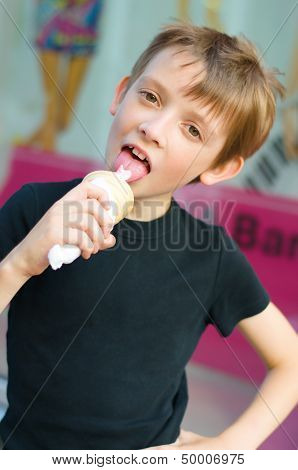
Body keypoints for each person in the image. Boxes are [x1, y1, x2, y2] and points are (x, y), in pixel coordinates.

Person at [1, 21, 298, 450]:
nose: (154, 128)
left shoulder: (210, 256)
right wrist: (21, 262)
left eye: (192, 130)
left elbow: (290, 361)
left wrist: (233, 445)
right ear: (120, 95)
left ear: (219, 168)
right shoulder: (35, 208)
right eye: (151, 97)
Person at [21, 0, 104, 151]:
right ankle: (44, 152)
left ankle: (27, 144)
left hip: (87, 10)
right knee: (52, 108)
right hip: (52, 9)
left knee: (64, 119)